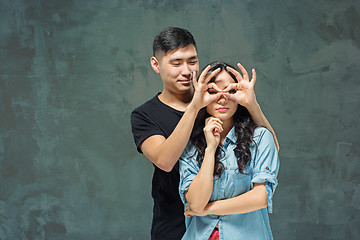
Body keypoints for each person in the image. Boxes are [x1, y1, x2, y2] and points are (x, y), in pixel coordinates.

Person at [131, 27, 279, 240]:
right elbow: (165, 161)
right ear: (156, 64)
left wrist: (251, 105)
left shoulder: (217, 98)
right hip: (176, 218)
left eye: (192, 62)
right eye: (176, 63)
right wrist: (195, 106)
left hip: (231, 222)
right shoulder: (145, 115)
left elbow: (271, 149)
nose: (186, 71)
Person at [178, 61, 280, 240]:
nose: (222, 98)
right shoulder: (191, 143)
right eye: (212, 91)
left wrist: (207, 209)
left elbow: (261, 196)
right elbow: (195, 202)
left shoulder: (261, 137)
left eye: (230, 91)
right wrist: (211, 149)